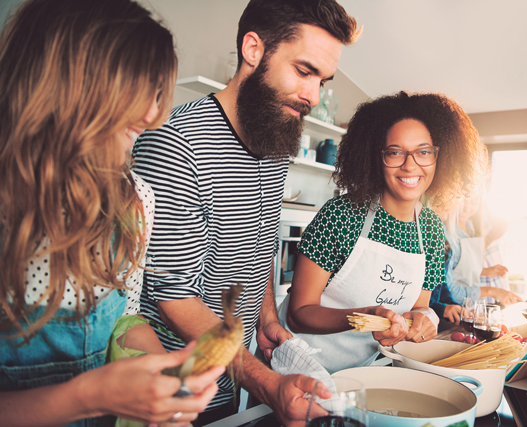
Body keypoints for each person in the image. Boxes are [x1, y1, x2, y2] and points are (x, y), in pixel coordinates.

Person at [131, 0, 360, 425]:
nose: (313, 95)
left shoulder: (273, 137)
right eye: (304, 71)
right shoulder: (178, 145)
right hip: (172, 387)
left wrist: (267, 315)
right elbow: (173, 297)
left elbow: (260, 243)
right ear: (253, 49)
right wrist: (265, 382)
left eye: (322, 80)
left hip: (232, 373)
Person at [0, 1, 225, 426]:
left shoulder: (135, 198)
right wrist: (87, 396)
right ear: (67, 75)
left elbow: (126, 318)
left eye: (157, 94)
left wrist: (167, 380)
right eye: (137, 88)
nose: (151, 116)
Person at [277, 91, 488, 373]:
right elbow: (299, 315)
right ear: (377, 157)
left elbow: (418, 308)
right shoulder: (341, 215)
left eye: (423, 151)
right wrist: (364, 316)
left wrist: (425, 319)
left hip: (364, 373)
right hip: (297, 364)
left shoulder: (432, 231)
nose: (410, 164)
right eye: (395, 152)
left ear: (441, 157)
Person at [445, 195, 522, 306]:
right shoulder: (446, 234)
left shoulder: (469, 225)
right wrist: (491, 291)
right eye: (462, 201)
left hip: (469, 309)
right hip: (453, 311)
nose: (467, 208)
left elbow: (457, 270)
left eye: (474, 202)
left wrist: (484, 272)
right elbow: (448, 290)